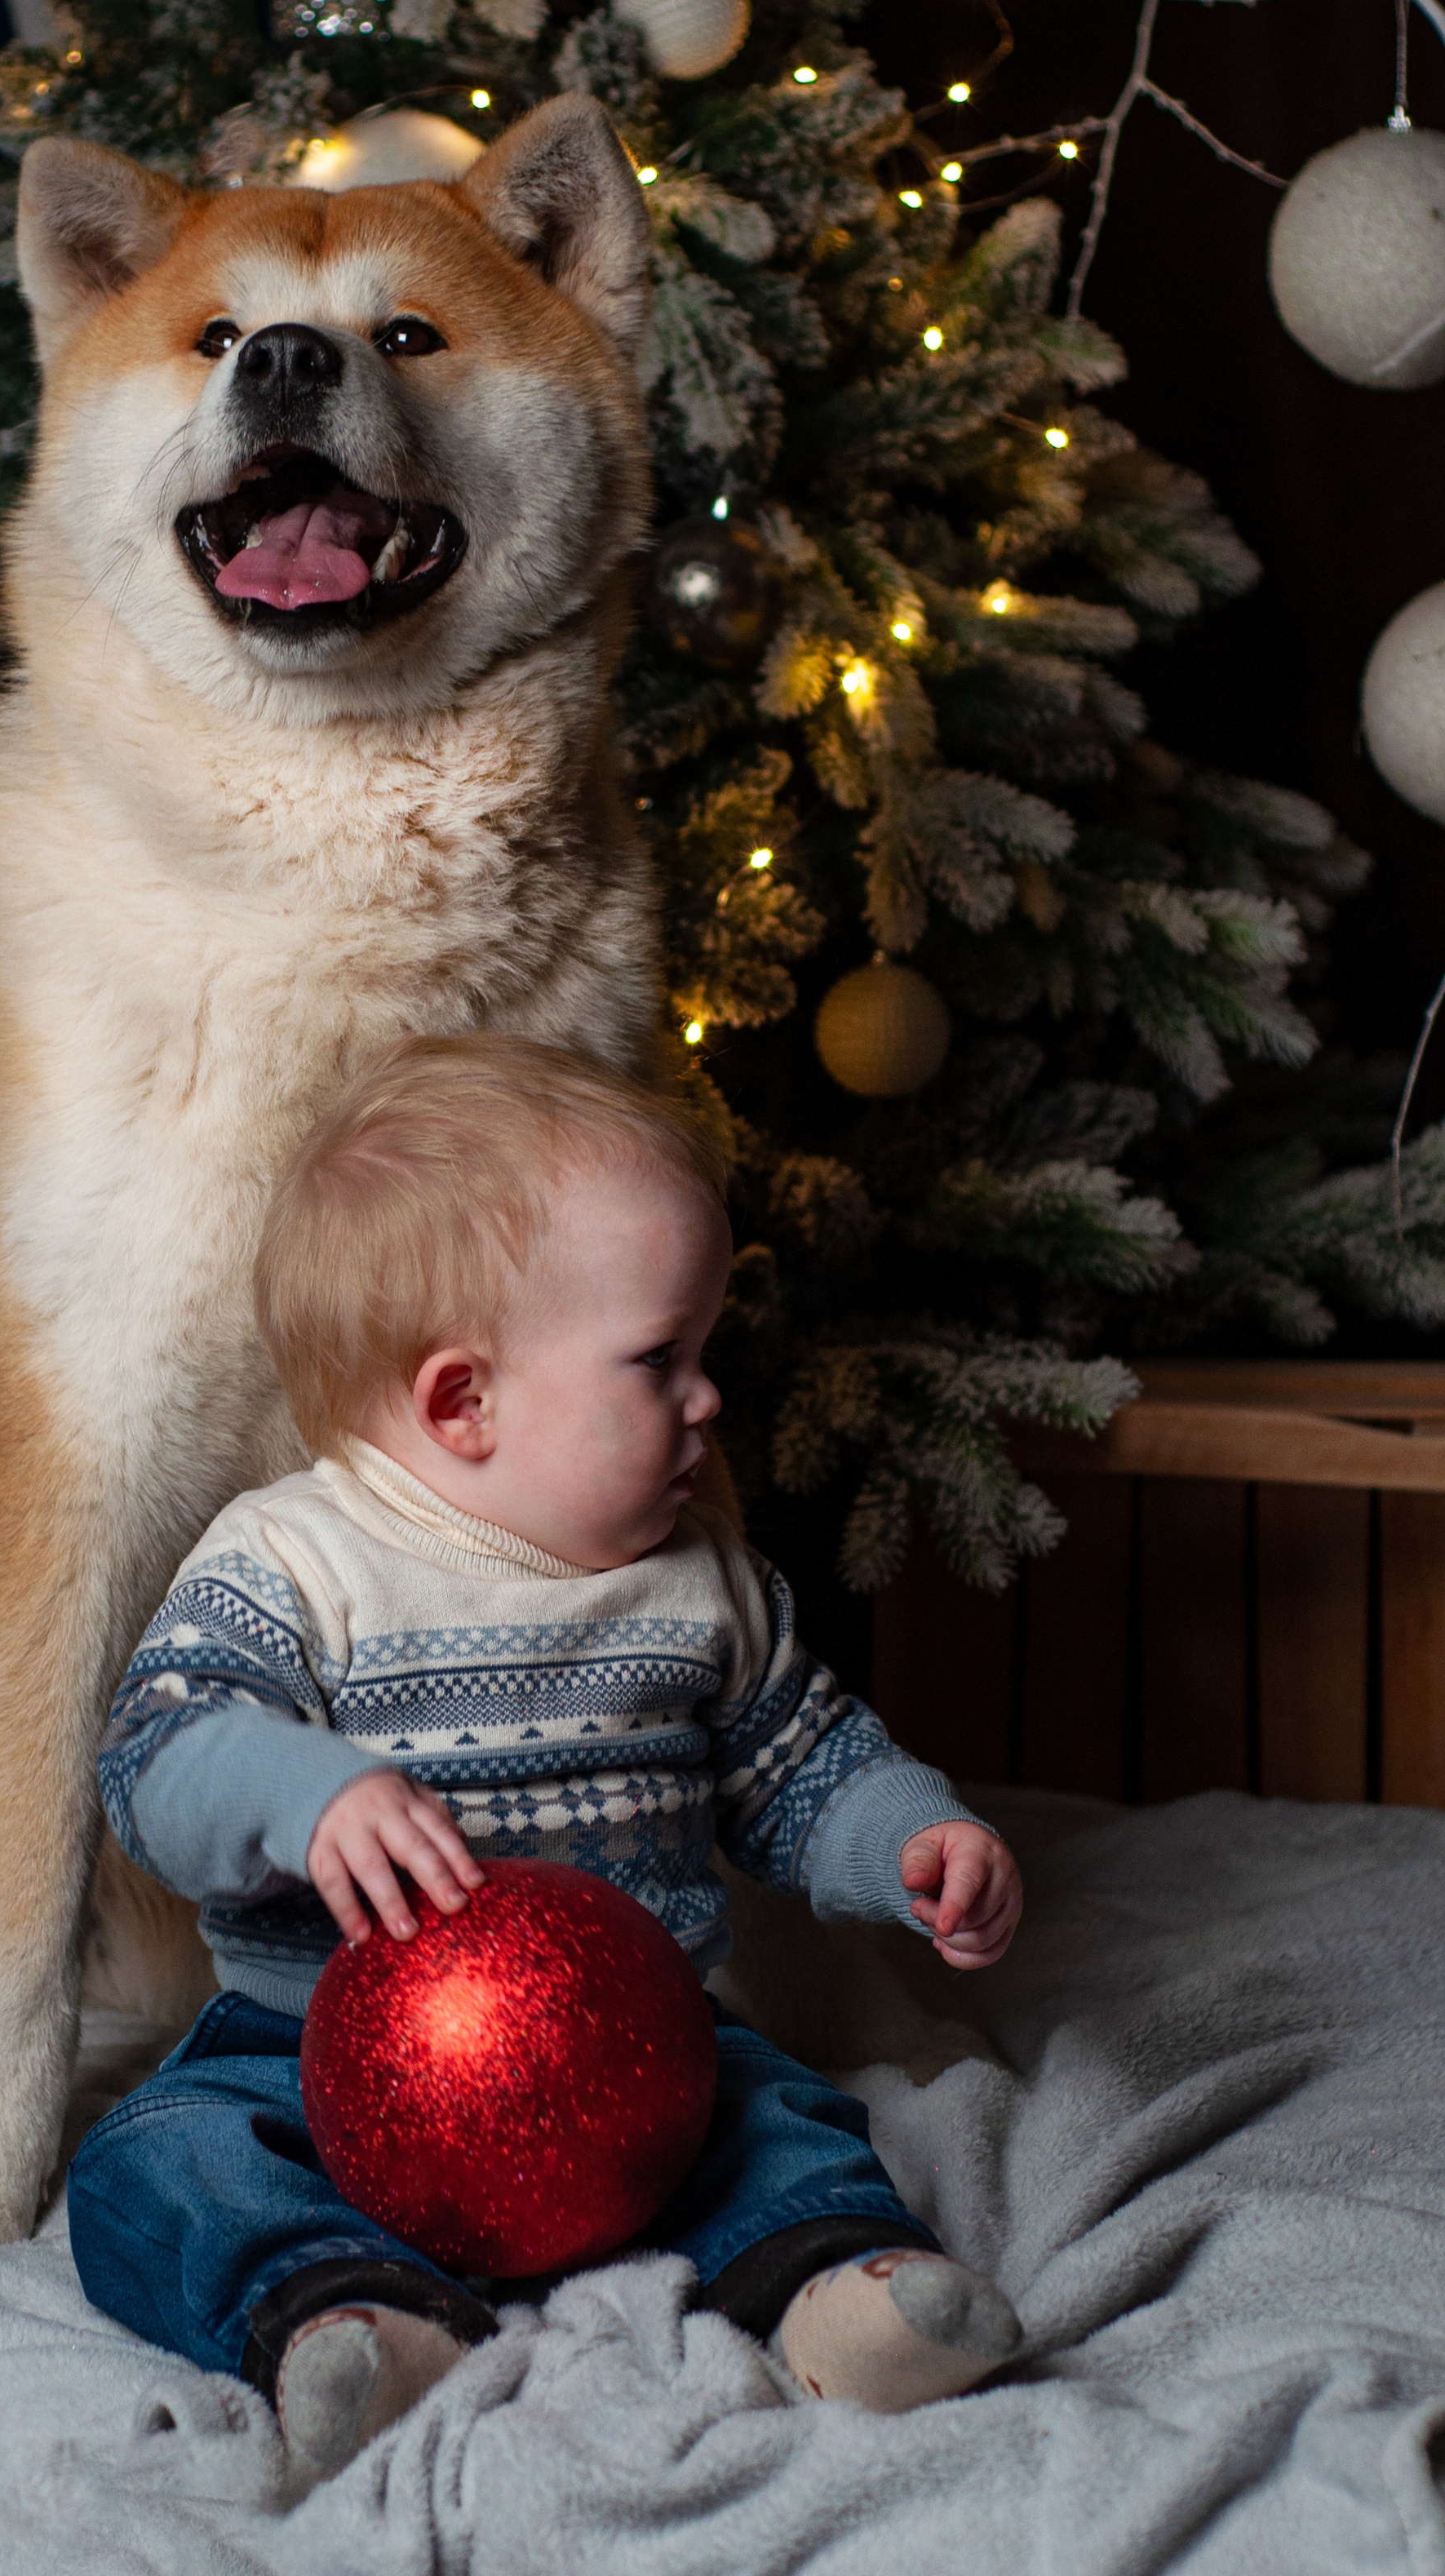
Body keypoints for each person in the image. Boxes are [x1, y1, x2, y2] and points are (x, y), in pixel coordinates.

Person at [69, 1035, 1026, 2487]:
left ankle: (840, 2290)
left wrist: (910, 1838)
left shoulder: (701, 1581)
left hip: (642, 2056)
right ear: (465, 1402)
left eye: (704, 1354)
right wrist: (305, 1790)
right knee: (158, 2161)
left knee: (784, 2114)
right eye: (661, 1361)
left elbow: (802, 1762)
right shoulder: (296, 1560)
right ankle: (341, 2317)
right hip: (313, 2051)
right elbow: (152, 1758)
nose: (708, 1400)